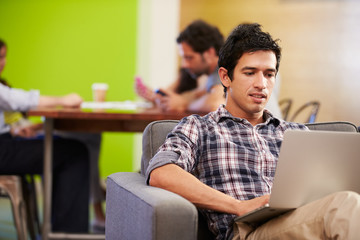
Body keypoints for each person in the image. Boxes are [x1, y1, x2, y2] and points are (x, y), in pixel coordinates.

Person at [145, 23, 360, 240]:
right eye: (250, 73)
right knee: (346, 205)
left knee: (346, 202)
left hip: (305, 221)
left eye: (269, 74)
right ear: (226, 77)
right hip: (248, 231)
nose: (262, 84)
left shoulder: (296, 133)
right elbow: (161, 172)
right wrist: (239, 206)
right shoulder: (200, 127)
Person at [0, 39, 90, 233]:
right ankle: (66, 232)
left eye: (4, 57)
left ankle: (58, 230)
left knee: (60, 147)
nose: (3, 62)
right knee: (74, 152)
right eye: (0, 57)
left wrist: (14, 130)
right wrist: (62, 100)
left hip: (6, 142)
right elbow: (17, 100)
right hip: (3, 151)